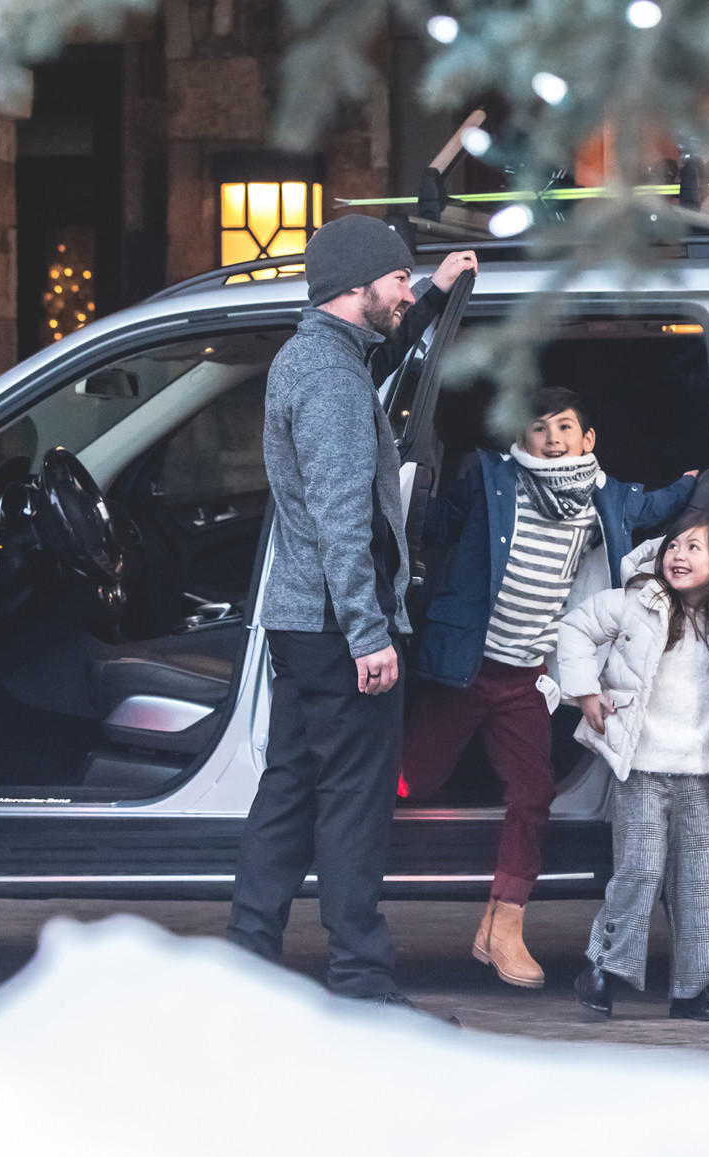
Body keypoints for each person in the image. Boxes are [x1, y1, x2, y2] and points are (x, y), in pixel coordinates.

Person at [225, 215, 475, 1009]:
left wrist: (434, 293)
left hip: (304, 624)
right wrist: (370, 635)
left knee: (289, 793)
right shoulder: (331, 381)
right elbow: (342, 518)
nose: (404, 291)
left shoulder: (318, 357)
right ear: (357, 284)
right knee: (353, 806)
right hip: (339, 630)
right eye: (398, 279)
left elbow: (384, 353)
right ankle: (362, 983)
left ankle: (244, 967)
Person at [402, 387, 698, 988]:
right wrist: (397, 490)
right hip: (468, 666)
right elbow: (440, 522)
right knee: (414, 777)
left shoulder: (604, 497)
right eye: (539, 428)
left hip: (526, 677)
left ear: (588, 440)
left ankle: (503, 924)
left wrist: (696, 481)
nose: (553, 438)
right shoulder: (492, 480)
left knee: (534, 795)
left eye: (565, 427)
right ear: (521, 440)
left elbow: (654, 507)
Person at [556, 513, 709, 1021]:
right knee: (640, 870)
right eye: (673, 546)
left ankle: (692, 989)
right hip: (640, 770)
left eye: (694, 548)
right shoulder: (638, 603)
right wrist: (586, 692)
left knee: (696, 883)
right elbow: (576, 628)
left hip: (695, 775)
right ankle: (601, 967)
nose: (678, 555)